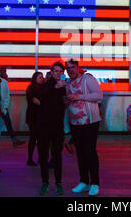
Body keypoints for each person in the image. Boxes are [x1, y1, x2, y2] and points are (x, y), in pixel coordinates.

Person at [65, 59, 103, 196]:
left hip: (90, 122)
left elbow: (99, 96)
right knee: (80, 153)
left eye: (73, 67)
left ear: (78, 67)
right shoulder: (68, 83)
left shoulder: (87, 79)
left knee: (90, 151)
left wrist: (79, 96)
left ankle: (95, 183)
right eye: (68, 68)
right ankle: (84, 181)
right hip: (75, 123)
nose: (70, 70)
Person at [37, 62, 67, 195]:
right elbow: (44, 95)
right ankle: (45, 182)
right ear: (52, 72)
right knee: (43, 155)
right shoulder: (47, 85)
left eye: (61, 71)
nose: (59, 74)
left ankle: (58, 183)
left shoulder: (64, 86)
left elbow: (64, 102)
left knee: (57, 156)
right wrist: (56, 86)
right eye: (56, 71)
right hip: (44, 126)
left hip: (57, 126)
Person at [0, 66, 26, 147]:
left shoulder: (2, 81)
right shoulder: (1, 81)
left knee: (6, 123)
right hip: (0, 106)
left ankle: (14, 140)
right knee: (6, 123)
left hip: (1, 106)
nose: (5, 73)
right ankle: (14, 140)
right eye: (3, 71)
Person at [26, 71, 44, 166]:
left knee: (39, 138)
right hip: (33, 116)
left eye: (42, 77)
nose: (42, 79)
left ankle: (39, 158)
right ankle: (31, 159)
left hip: (38, 116)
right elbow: (34, 100)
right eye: (40, 77)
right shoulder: (31, 88)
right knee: (34, 137)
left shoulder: (42, 88)